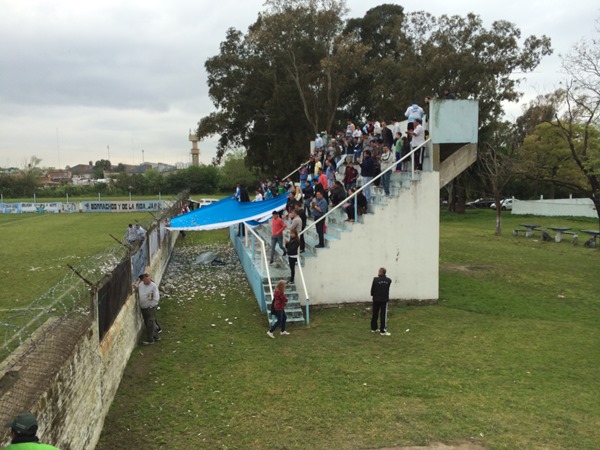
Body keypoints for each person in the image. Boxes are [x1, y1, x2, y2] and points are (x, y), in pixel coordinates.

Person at [137, 273, 161, 345]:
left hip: (150, 308)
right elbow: (139, 288)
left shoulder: (153, 286)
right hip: (143, 307)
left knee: (150, 322)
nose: (148, 281)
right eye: (146, 280)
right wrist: (135, 287)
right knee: (149, 322)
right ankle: (156, 336)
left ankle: (150, 339)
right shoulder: (141, 284)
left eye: (149, 279)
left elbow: (156, 298)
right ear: (143, 279)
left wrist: (151, 306)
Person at [370, 267, 392, 336]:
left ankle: (373, 328)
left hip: (376, 299)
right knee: (383, 315)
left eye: (379, 271)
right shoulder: (388, 280)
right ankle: (382, 330)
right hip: (384, 299)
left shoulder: (375, 279)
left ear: (381, 272)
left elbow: (372, 290)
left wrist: (373, 295)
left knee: (375, 314)